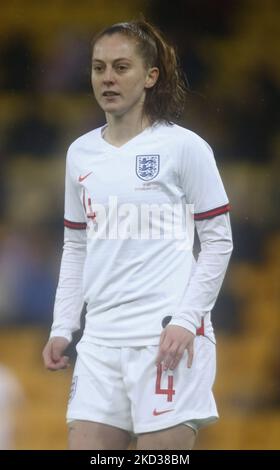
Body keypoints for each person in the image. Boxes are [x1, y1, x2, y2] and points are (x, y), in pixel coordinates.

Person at [42, 19, 233, 450]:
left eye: (121, 67)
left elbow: (219, 240)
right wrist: (63, 326)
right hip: (101, 342)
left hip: (165, 338)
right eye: (98, 67)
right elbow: (76, 245)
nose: (107, 77)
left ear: (151, 76)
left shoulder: (184, 147)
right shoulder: (80, 153)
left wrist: (187, 320)